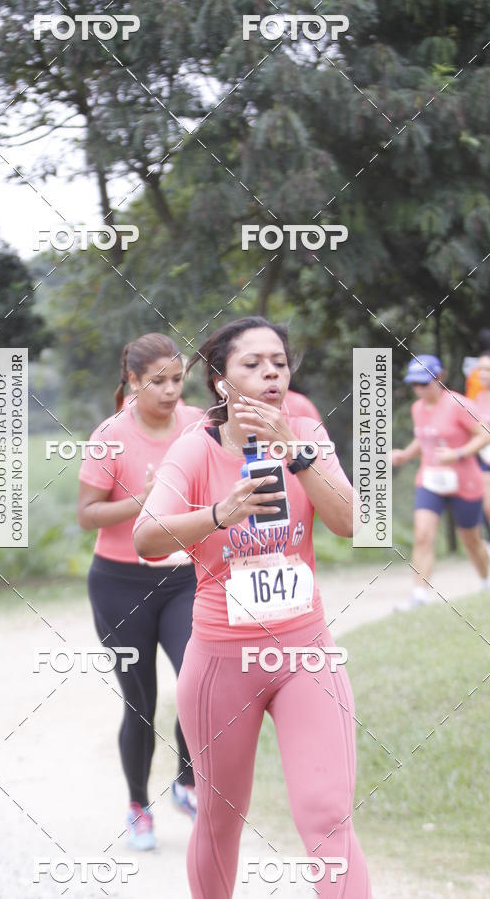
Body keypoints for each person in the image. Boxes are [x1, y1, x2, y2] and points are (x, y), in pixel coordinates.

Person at [133, 316, 372, 898]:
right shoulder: (195, 449)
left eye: (280, 363)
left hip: (305, 654)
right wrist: (221, 513)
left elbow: (348, 522)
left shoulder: (307, 432)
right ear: (219, 382)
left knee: (327, 815)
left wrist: (299, 456)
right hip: (221, 661)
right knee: (219, 819)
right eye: (252, 363)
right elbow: (147, 537)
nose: (271, 372)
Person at [77, 333, 203, 850]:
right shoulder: (109, 436)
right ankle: (137, 805)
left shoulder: (198, 424)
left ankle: (187, 781)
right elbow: (87, 515)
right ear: (132, 381)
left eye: (177, 379)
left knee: (199, 682)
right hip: (119, 583)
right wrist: (143, 500)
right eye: (159, 381)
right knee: (141, 702)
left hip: (183, 579)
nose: (171, 390)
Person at [392, 354, 490, 610]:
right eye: (415, 384)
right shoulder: (418, 409)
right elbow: (423, 438)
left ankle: (486, 580)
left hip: (465, 482)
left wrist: (458, 454)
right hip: (430, 480)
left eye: (425, 383)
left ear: (439, 379)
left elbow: (484, 433)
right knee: (423, 535)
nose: (420, 390)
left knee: (471, 539)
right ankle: (419, 595)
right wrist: (404, 455)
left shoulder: (458, 403)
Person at [473, 353, 490, 549]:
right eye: (480, 370)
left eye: (487, 370)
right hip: (483, 459)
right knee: (486, 507)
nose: (482, 374)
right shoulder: (476, 398)